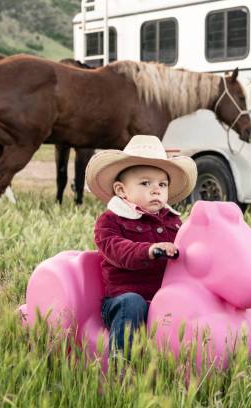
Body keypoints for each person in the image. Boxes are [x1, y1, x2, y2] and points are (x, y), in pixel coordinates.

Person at [85, 135, 198, 354]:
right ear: (121, 190)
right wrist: (150, 250)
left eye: (162, 184)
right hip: (123, 302)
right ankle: (122, 365)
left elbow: (189, 249)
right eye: (146, 183)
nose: (156, 189)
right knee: (132, 302)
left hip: (164, 299)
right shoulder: (110, 221)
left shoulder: (173, 221)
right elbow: (117, 250)